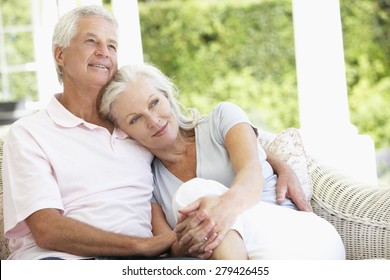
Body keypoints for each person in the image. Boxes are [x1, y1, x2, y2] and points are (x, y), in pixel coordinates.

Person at [1, 5, 308, 260]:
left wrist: (279, 164)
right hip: (60, 261)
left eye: (112, 45)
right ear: (60, 55)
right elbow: (46, 229)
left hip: (142, 265)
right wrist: (142, 246)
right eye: (91, 41)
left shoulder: (132, 129)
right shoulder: (29, 133)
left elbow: (196, 134)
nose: (103, 52)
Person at [99, 63, 346, 259]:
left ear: (167, 97)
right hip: (255, 262)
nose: (153, 120)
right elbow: (172, 245)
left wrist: (219, 212)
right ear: (123, 132)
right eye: (135, 119)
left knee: (194, 192)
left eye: (154, 103)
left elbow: (251, 176)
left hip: (304, 239)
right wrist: (189, 244)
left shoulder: (222, 119)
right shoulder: (147, 181)